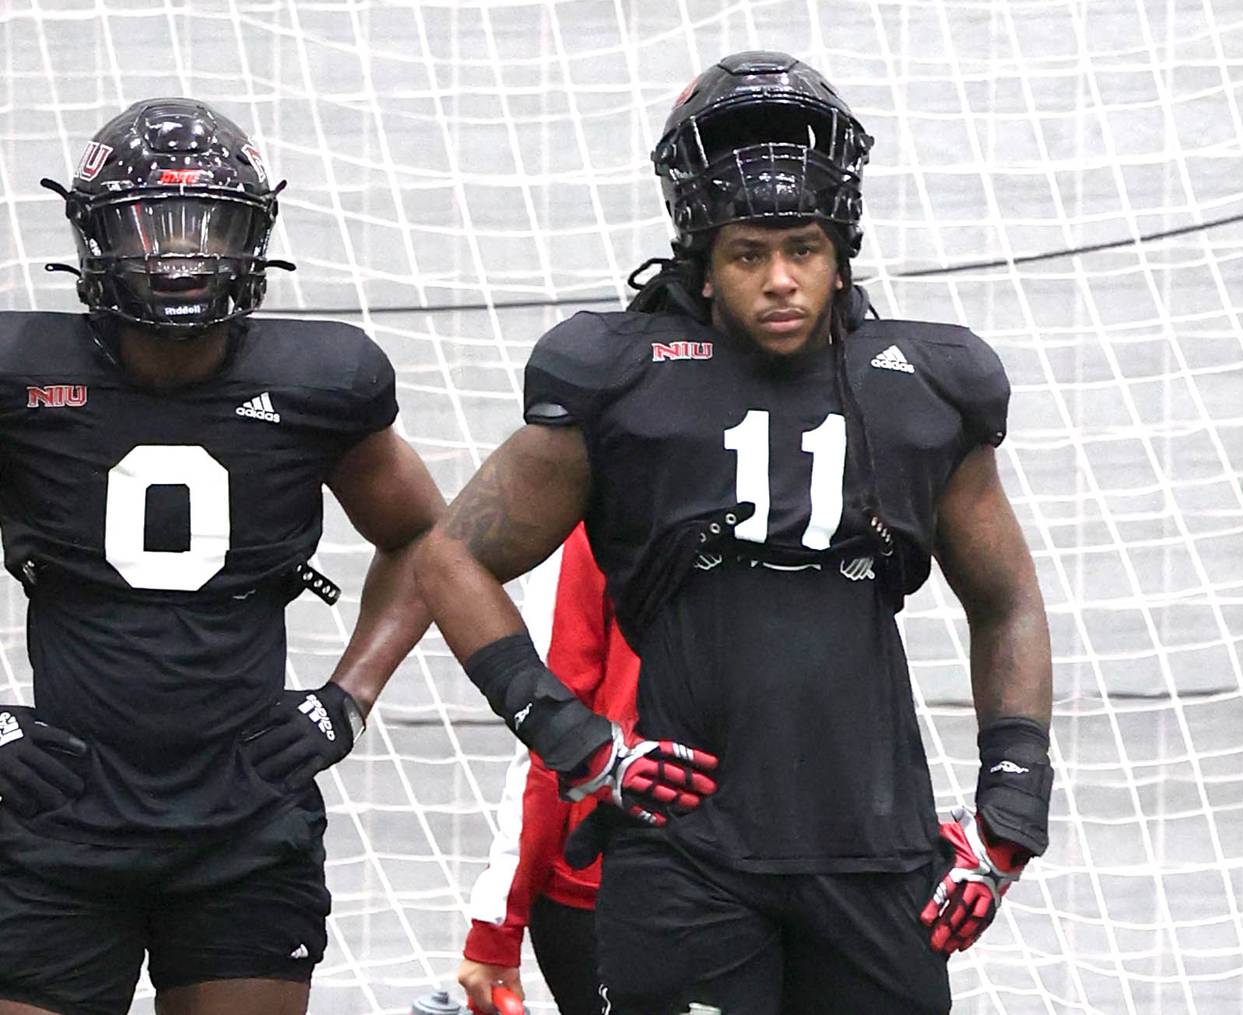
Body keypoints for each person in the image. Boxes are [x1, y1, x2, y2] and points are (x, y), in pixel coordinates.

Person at [418, 51, 1053, 1014]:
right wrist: (571, 738)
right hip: (684, 856)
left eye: (802, 248)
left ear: (841, 252)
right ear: (704, 269)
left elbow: (1005, 599)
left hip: (877, 851)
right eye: (748, 254)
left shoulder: (926, 386)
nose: (781, 280)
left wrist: (1010, 809)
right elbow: (451, 554)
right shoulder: (624, 380)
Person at [0, 98, 443, 1015]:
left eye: (207, 226)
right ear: (94, 236)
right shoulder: (20, 375)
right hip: (56, 819)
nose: (179, 255)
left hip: (245, 822)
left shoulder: (325, 382)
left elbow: (425, 539)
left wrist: (349, 699)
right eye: (151, 228)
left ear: (255, 235)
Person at [459, 524, 637, 1015]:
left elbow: (550, 743)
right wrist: (498, 923)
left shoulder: (602, 518)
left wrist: (495, 929)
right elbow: (551, 736)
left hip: (620, 881)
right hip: (612, 884)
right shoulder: (595, 526)